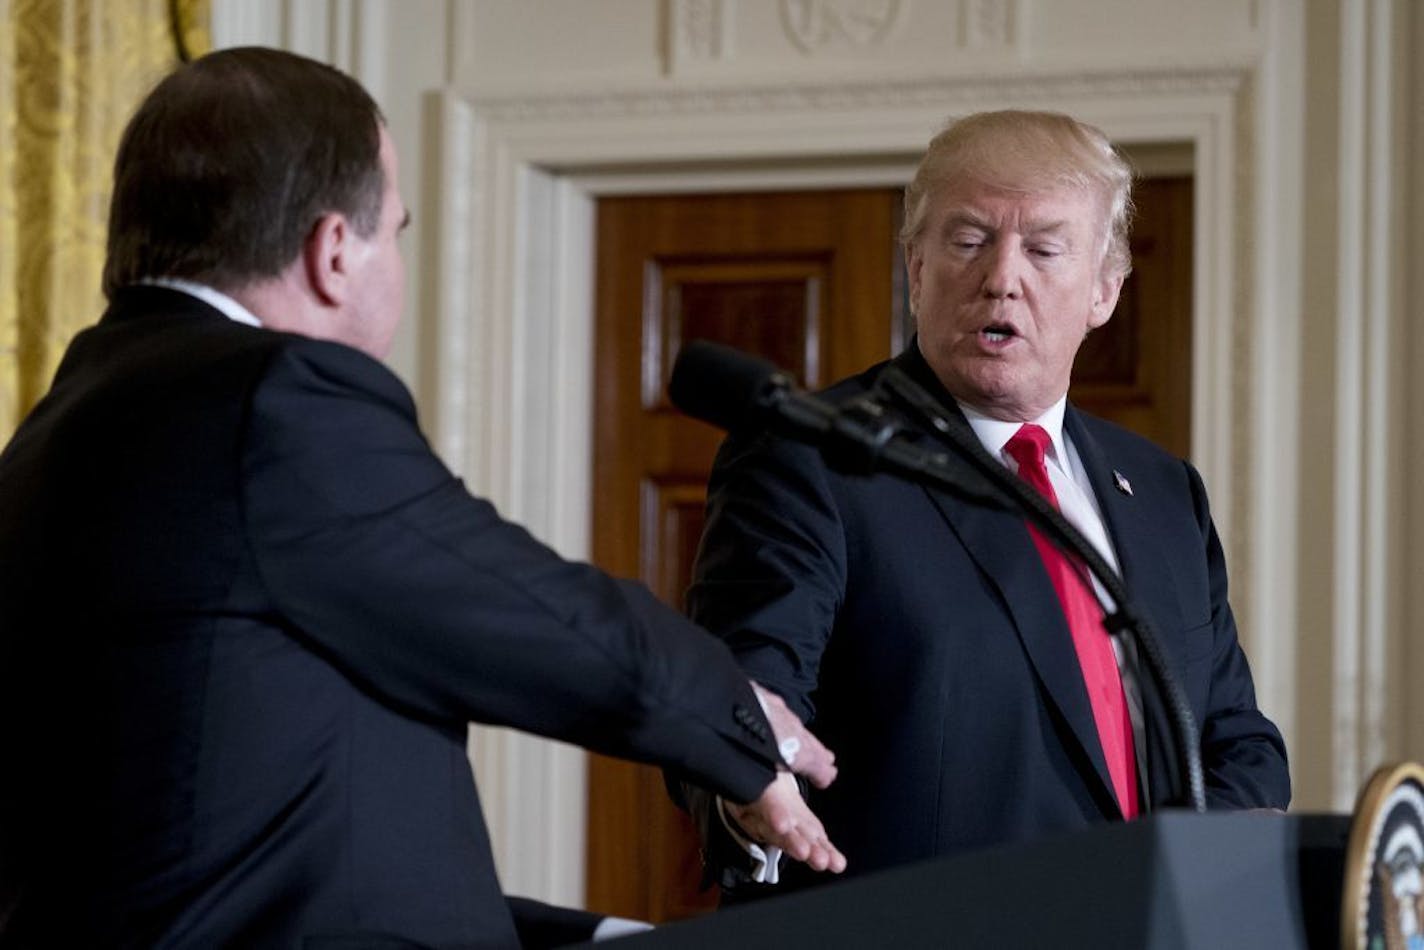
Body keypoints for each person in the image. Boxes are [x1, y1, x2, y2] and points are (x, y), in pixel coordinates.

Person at [0, 47, 846, 949]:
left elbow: (254, 841)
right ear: (332, 252)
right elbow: (531, 615)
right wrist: (743, 723)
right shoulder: (272, 403)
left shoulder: (55, 431)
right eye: (395, 233)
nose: (395, 260)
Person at [681, 109, 1291, 895]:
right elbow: (746, 693)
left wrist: (1191, 874)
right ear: (917, 267)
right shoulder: (811, 458)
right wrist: (747, 783)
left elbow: (1238, 739)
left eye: (1043, 248)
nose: (1002, 276)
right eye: (968, 241)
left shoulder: (1165, 493)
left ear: (1104, 289)